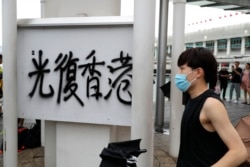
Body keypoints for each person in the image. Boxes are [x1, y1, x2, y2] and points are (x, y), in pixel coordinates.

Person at [175, 48, 247, 167]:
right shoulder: (191, 99)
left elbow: (239, 152)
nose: (178, 74)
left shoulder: (211, 104)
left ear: (198, 72)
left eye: (182, 69)